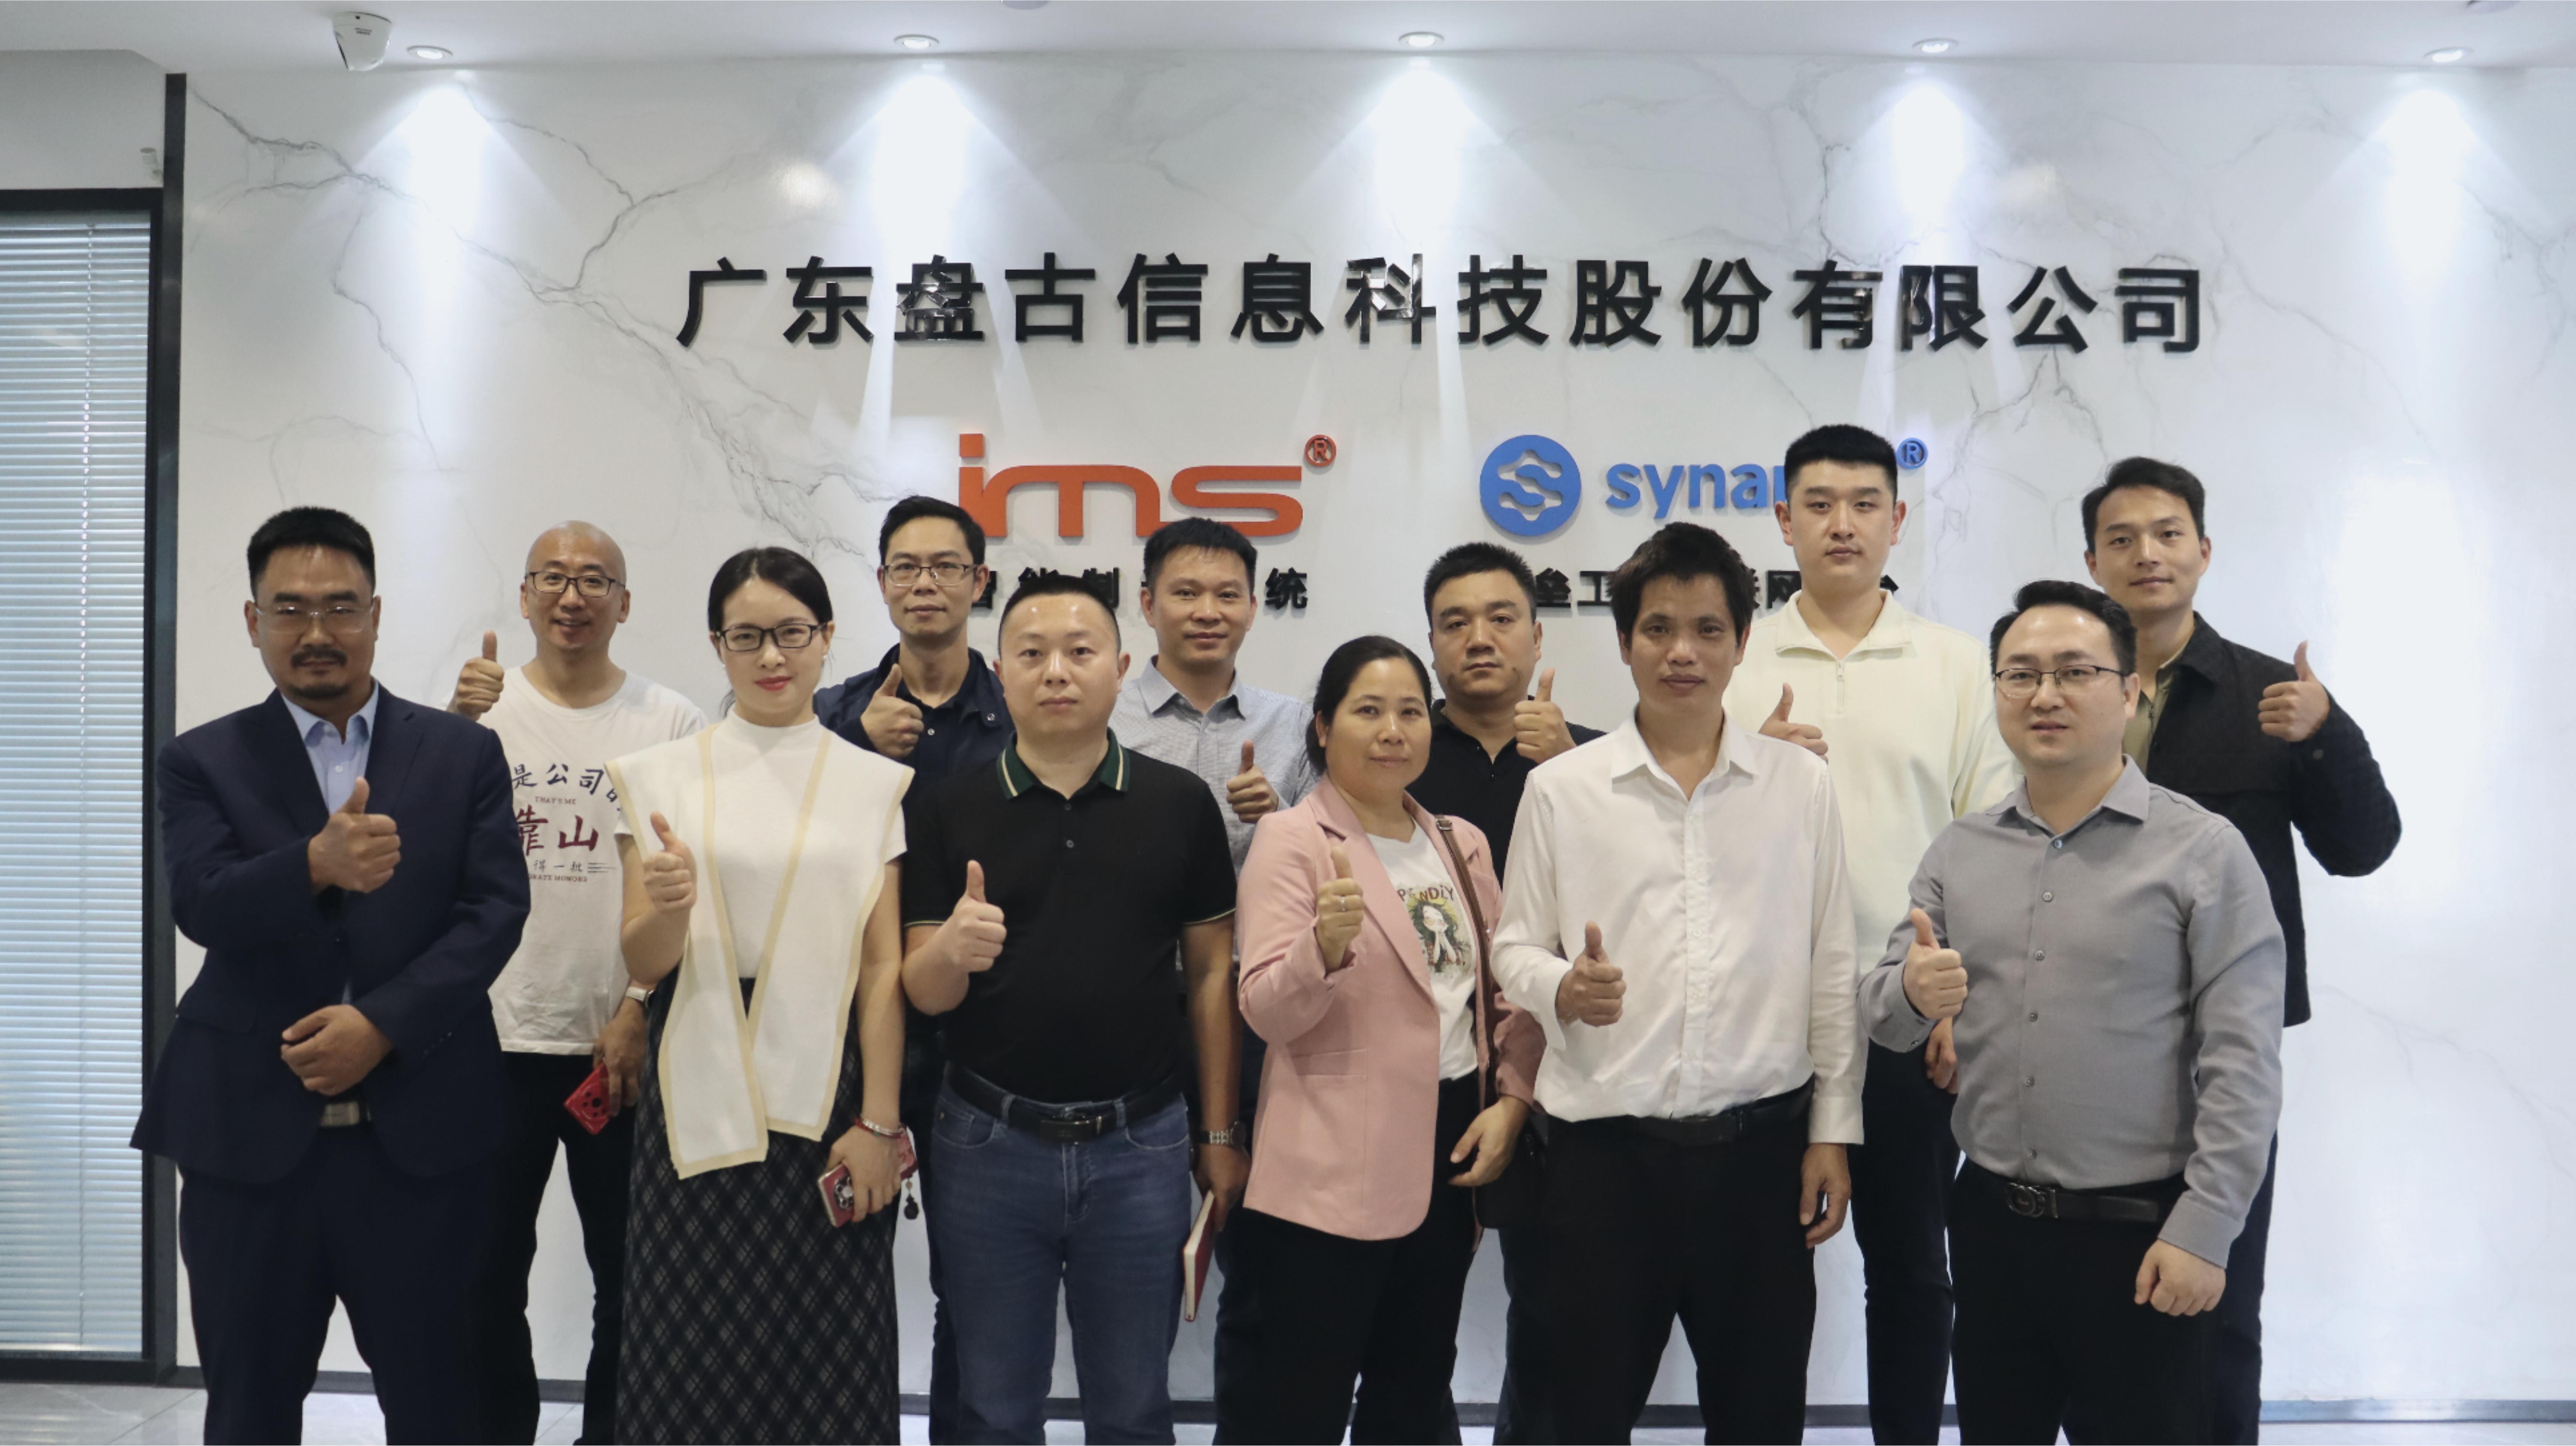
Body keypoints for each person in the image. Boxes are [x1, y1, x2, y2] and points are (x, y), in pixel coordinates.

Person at [135, 507, 529, 1443]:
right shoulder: (201, 759)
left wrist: (383, 1024)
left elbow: (494, 912)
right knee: (249, 1410)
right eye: (290, 608)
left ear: (376, 614)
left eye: (341, 606)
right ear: (253, 621)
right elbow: (202, 904)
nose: (317, 631)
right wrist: (313, 863)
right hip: (247, 1144)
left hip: (421, 1143)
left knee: (441, 1408)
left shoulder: (462, 751)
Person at [1860, 580, 2285, 1444]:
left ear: (2128, 691)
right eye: (2020, 674)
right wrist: (1913, 993)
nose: (2044, 694)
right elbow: (1886, 1014)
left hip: (2144, 1238)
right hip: (1992, 1229)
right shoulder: (1959, 850)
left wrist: (2205, 1231)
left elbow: (2243, 1063)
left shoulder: (2204, 852)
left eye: (2074, 671)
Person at [1491, 522, 1860, 1444]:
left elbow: (1831, 964)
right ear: (1624, 643)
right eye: (1658, 629)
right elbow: (1513, 949)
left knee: (1761, 1416)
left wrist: (1832, 1130)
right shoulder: (1563, 788)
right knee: (1579, 1418)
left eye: (1707, 629)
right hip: (1603, 1168)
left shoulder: (1800, 787)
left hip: (1759, 1161)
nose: (1682, 652)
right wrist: (1562, 988)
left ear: (1742, 641)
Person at [2081, 458, 2400, 1443]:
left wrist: (2328, 735)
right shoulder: (2061, 690)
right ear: (2093, 561)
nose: (2147, 553)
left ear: (2205, 551)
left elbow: (2363, 847)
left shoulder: (2270, 694)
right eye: (2122, 537)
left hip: (2219, 1051)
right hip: (2083, 1037)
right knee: (2090, 1312)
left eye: (2168, 533)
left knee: (2216, 1304)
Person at [900, 573, 1246, 1445]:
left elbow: (1212, 975)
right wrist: (951, 950)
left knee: (1133, 1409)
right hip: (986, 1141)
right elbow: (923, 990)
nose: (1056, 671)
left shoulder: (1179, 803)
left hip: (1142, 1145)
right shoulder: (946, 806)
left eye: (1080, 651)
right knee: (993, 1409)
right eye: (1032, 653)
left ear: (1121, 668)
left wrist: (1218, 1133)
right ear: (1001, 674)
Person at [1722, 425, 2017, 1445]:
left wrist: (1961, 1006)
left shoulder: (1957, 663)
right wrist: (1746, 767)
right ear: (1783, 519)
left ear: (1898, 519)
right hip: (1761, 1013)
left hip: (1907, 1011)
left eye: (1862, 504)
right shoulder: (1732, 659)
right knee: (1762, 1269)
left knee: (1912, 1267)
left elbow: (1994, 845)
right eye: (1818, 503)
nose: (1840, 524)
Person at [609, 547, 911, 1444]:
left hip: (827, 1096)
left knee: (830, 1359)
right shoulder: (659, 776)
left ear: (826, 638)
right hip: (693, 1085)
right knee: (685, 1353)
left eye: (791, 633)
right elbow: (642, 958)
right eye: (747, 637)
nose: (771, 656)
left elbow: (883, 968)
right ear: (718, 645)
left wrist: (881, 1123)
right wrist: (669, 907)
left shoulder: (872, 784)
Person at [1213, 636, 1542, 1444]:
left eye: (1409, 712)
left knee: (1413, 1390)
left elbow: (1504, 994)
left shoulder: (1460, 842)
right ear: (1324, 727)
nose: (1393, 731)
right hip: (1329, 1166)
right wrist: (1320, 951)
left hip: (1448, 1148)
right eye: (1368, 711)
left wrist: (1512, 1100)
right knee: (1299, 1404)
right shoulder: (1293, 839)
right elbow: (1265, 1012)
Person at [445, 523, 705, 1445]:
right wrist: (453, 726)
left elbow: (690, 889)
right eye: (552, 577)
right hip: (491, 1044)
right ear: (524, 597)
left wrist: (638, 1006)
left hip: (617, 1051)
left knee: (631, 1280)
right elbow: (423, 856)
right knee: (482, 1275)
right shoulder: (479, 711)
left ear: (625, 604)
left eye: (595, 580)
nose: (572, 596)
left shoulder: (670, 721)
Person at [814, 494, 1010, 1443]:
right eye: (905, 566)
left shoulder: (1019, 711)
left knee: (970, 1280)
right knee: (840, 1259)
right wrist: (856, 751)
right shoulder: (830, 712)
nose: (924, 583)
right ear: (883, 581)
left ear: (980, 582)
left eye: (945, 566)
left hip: (984, 1028)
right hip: (852, 1027)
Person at [1403, 541, 1601, 1445]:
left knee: (1558, 1314)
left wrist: (1573, 769)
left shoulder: (1600, 757)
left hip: (1562, 1071)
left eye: (1500, 619)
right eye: (1455, 623)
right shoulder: (1394, 755)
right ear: (1431, 642)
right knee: (1410, 1321)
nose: (1479, 638)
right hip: (1424, 1071)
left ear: (1537, 633)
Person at [1110, 517, 1315, 1193]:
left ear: (1253, 608)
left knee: (1259, 1215)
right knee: (1135, 1214)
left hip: (1259, 1009)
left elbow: (1338, 863)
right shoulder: (1102, 720)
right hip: (1134, 1005)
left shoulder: (1294, 725)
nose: (1207, 612)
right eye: (1186, 593)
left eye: (1227, 595)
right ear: (1148, 605)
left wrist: (1279, 823)